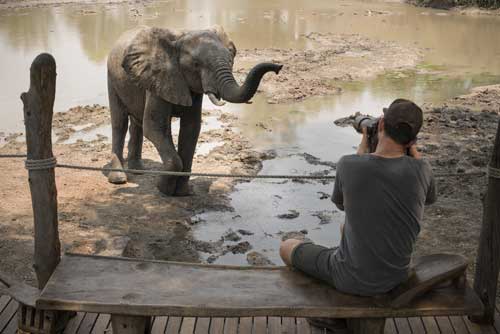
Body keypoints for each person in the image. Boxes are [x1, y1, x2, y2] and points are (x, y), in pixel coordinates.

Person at [279, 99, 437, 332]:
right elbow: (429, 198)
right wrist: (414, 154)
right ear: (413, 140)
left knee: (287, 246)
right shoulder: (423, 169)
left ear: (381, 123)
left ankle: (333, 314)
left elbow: (342, 205)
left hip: (349, 277)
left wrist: (361, 152)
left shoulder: (348, 165)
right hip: (396, 277)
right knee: (346, 230)